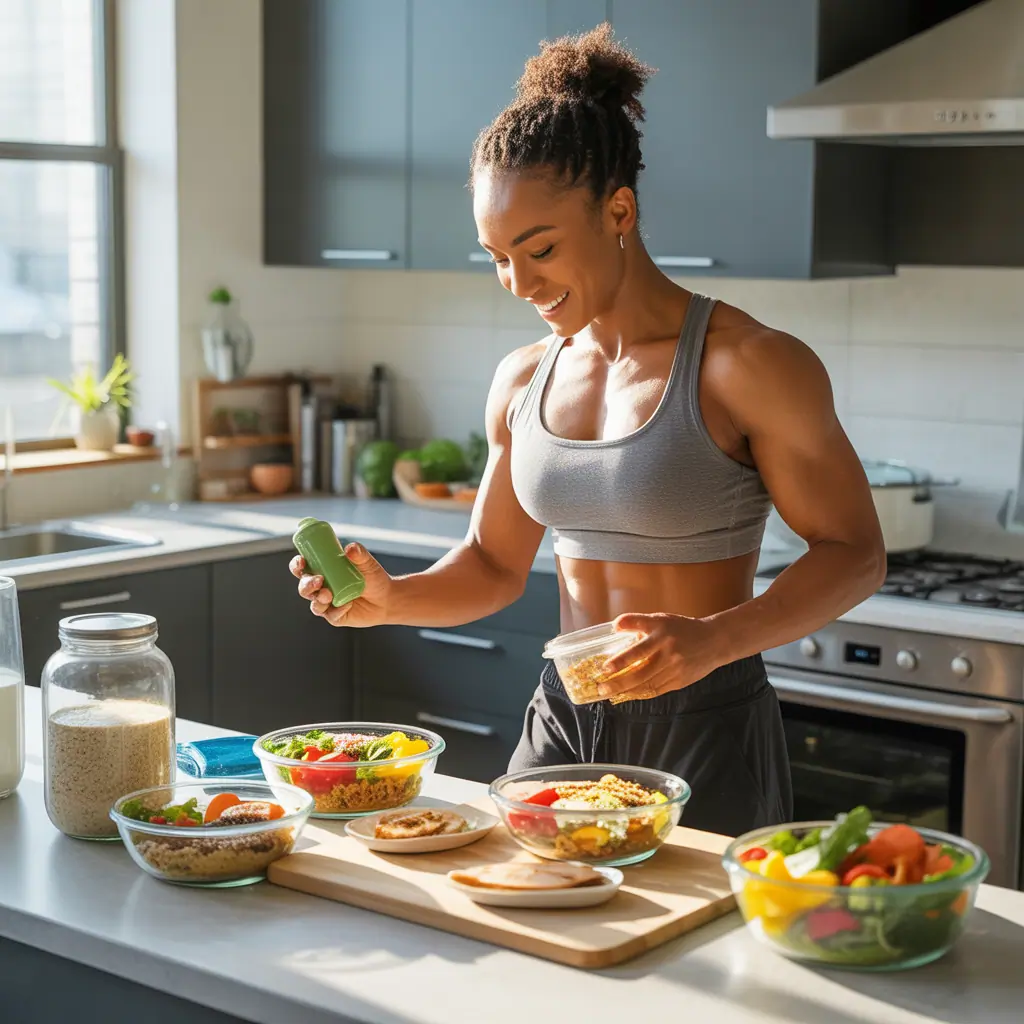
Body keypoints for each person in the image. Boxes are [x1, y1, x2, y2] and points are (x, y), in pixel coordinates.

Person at [290, 25, 885, 837]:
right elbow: (495, 564)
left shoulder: (747, 364)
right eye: (497, 257)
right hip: (563, 718)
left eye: (539, 249)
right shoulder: (522, 377)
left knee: (695, 961)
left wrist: (712, 642)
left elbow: (855, 553)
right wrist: (392, 599)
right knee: (528, 939)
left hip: (704, 723)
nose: (519, 283)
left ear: (619, 209)